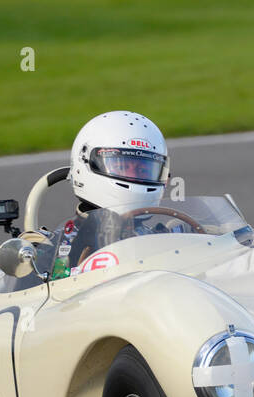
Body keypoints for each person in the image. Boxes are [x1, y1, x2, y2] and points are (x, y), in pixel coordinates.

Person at [49, 111, 172, 279]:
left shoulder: (165, 239)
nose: (135, 176)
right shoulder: (54, 247)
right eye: (123, 166)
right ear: (87, 161)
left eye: (143, 170)